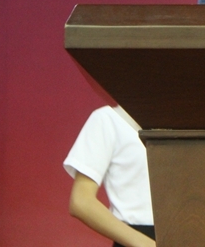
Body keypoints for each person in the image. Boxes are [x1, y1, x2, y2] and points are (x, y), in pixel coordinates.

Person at [64, 105, 156, 247]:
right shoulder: (109, 119)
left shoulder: (186, 122)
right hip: (137, 238)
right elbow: (81, 201)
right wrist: (147, 244)